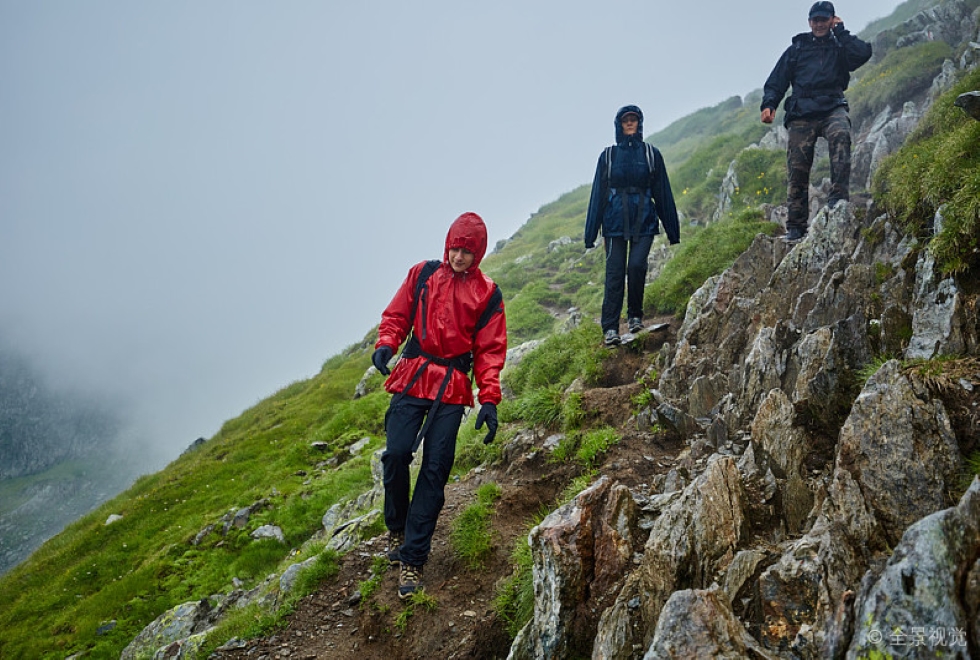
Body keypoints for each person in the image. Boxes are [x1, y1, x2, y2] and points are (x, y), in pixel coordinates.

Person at [371, 211, 507, 599]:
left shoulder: (488, 294)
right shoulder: (424, 273)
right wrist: (386, 343)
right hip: (414, 372)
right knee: (395, 453)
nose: (458, 256)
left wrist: (490, 400)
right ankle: (397, 526)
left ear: (477, 252)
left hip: (453, 384)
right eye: (454, 247)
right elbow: (397, 314)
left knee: (436, 467)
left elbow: (490, 351)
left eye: (466, 250)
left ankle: (413, 556)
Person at [761, 1, 873, 242]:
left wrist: (841, 32)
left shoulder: (840, 45)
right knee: (797, 166)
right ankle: (796, 226)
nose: (819, 24)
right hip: (802, 111)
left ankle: (838, 199)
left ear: (832, 20)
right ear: (809, 22)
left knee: (841, 135)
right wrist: (769, 104)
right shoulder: (797, 48)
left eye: (824, 19)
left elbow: (862, 54)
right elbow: (777, 79)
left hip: (832, 106)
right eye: (815, 20)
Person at [585, 105, 680, 347]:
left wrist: (672, 229)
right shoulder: (608, 156)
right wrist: (590, 234)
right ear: (619, 124)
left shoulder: (651, 154)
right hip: (615, 222)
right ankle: (610, 328)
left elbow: (663, 192)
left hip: (645, 219)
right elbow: (598, 194)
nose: (630, 123)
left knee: (637, 266)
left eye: (634, 120)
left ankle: (635, 316)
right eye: (626, 120)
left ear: (639, 123)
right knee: (615, 273)